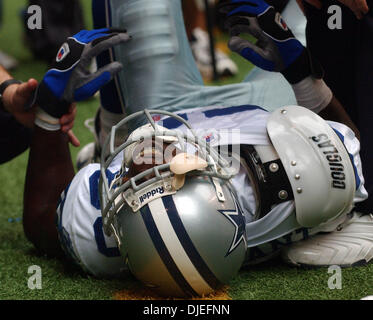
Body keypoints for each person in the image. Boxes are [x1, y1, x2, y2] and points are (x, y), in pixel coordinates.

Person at [23, 0, 371, 298]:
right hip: (276, 106)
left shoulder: (116, 234)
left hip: (167, 105)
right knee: (335, 9)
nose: (134, 160)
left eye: (128, 178)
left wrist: (51, 112)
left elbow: (41, 219)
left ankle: (111, 121)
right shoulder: (298, 180)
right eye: (155, 168)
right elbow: (351, 147)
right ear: (206, 187)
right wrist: (301, 72)